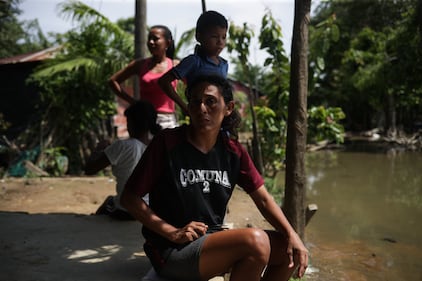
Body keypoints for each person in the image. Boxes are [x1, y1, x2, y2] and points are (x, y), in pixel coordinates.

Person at [121, 75, 308, 281]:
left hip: (212, 242)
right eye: (195, 101)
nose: (202, 108)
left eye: (210, 101)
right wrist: (172, 232)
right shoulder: (167, 143)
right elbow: (130, 198)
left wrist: (292, 235)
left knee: (289, 251)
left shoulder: (233, 151)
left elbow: (263, 199)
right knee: (256, 241)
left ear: (228, 108)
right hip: (172, 250)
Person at [85, 100, 161, 220]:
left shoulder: (124, 146)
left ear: (131, 123)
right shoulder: (158, 146)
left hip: (126, 211)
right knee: (111, 200)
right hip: (151, 210)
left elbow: (89, 169)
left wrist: (99, 149)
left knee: (109, 202)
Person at [158, 10, 229, 115]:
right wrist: (184, 106)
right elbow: (164, 81)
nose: (220, 42)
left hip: (217, 118)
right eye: (214, 37)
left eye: (223, 37)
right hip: (199, 116)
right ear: (198, 36)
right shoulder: (193, 62)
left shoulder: (224, 64)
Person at [109, 25, 179, 129]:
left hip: (167, 121)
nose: (151, 42)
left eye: (155, 39)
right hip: (144, 120)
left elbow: (194, 85)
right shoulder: (140, 65)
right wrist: (133, 102)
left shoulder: (175, 65)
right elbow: (113, 81)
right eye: (149, 39)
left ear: (167, 43)